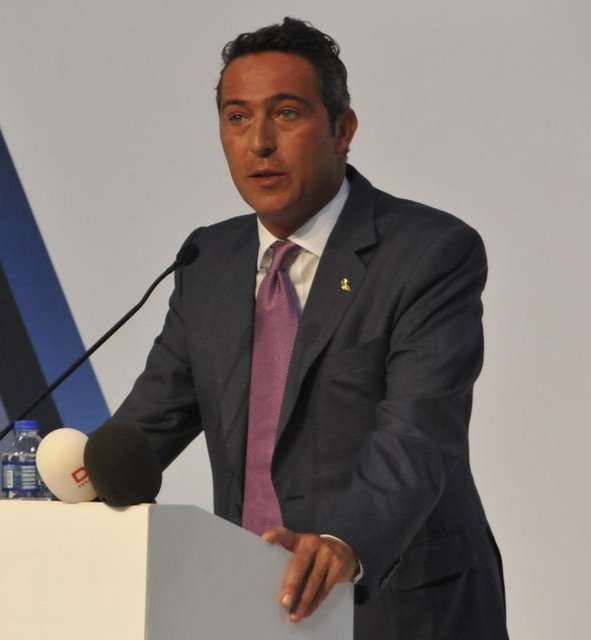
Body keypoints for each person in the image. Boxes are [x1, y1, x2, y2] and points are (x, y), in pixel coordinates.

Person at [113, 17, 509, 639]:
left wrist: (344, 540)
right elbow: (145, 428)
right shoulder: (208, 261)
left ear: (343, 129)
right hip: (251, 608)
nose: (259, 143)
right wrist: (73, 484)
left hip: (401, 609)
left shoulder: (428, 252)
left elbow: (418, 431)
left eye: (287, 113)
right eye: (237, 117)